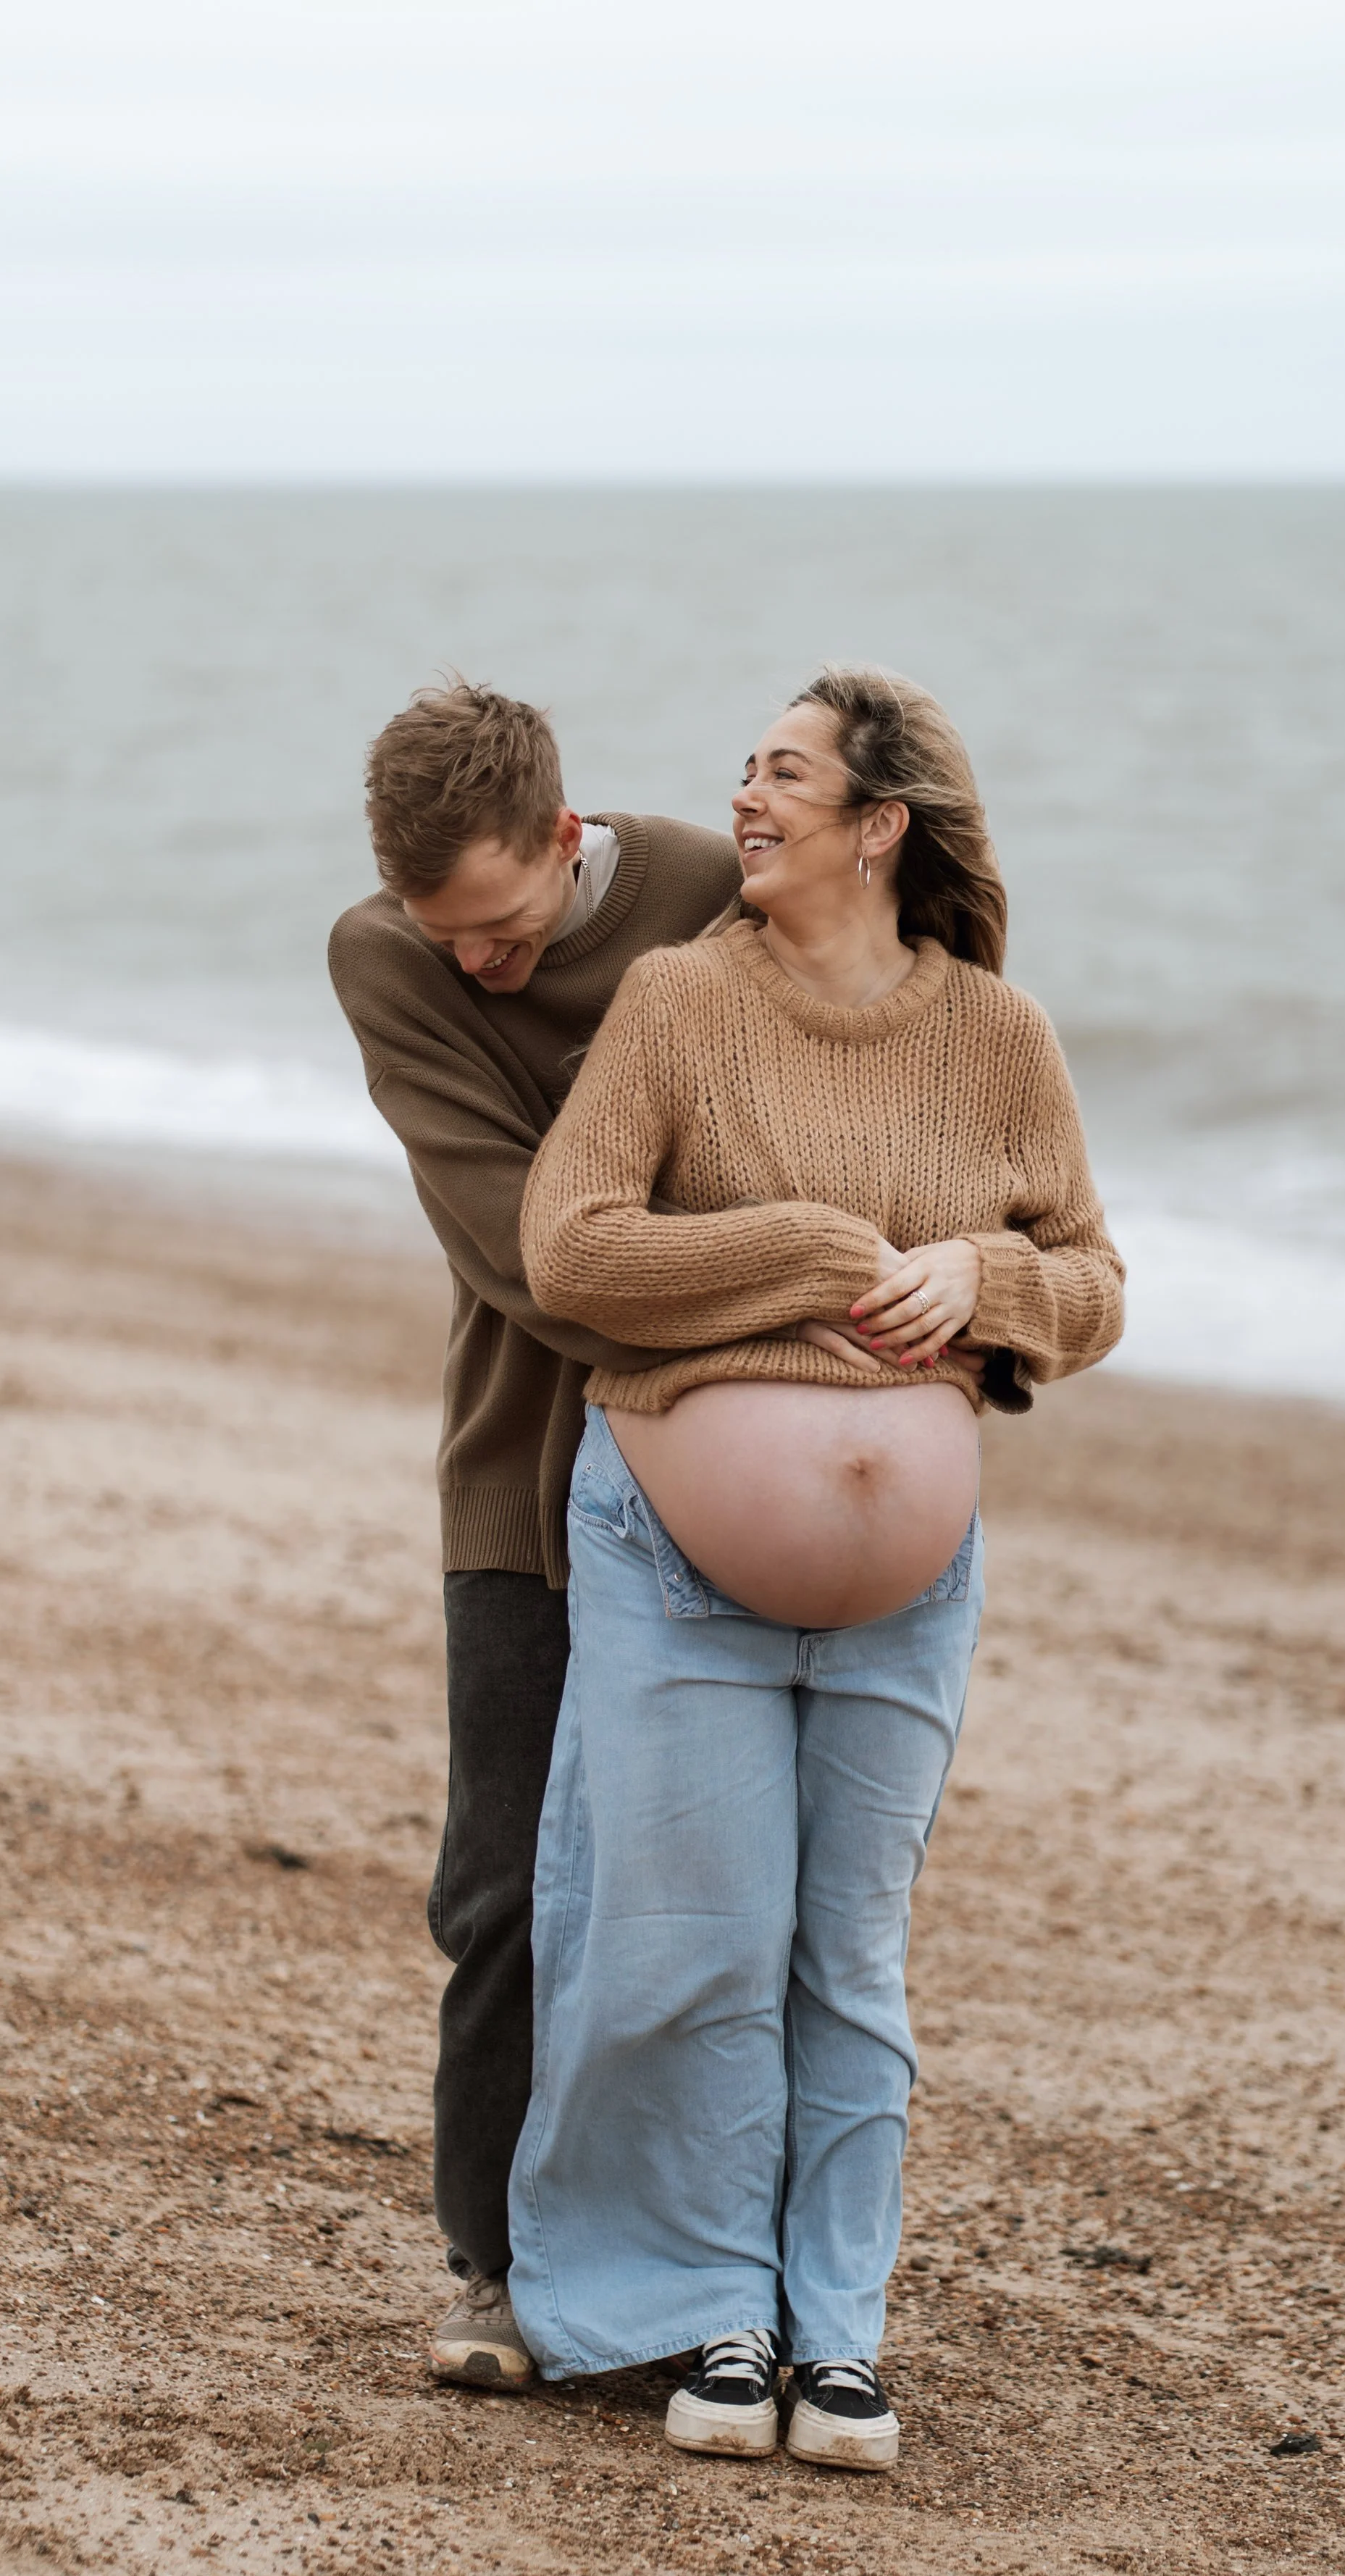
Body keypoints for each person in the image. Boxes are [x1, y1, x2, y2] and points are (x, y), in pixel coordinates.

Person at [506, 665, 1125, 2470]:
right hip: (673, 1562)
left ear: (880, 825)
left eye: (782, 778)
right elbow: (573, 1250)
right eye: (744, 773)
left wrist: (981, 1286)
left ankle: (836, 2336)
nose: (743, 803)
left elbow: (1089, 1280)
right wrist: (814, 1250)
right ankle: (709, 2309)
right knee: (691, 1948)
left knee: (846, 1962)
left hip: (902, 1590)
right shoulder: (678, 1001)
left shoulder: (995, 1036)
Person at [327, 679, 741, 2391]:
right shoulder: (386, 959)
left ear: (568, 844)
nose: (479, 967)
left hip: (718, 1471)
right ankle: (494, 2267)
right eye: (453, 939)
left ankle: (705, 2273)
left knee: (704, 1897)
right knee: (501, 1889)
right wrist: (786, 1296)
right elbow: (531, 1257)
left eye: (503, 933)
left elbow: (874, 1079)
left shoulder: (720, 891)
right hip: (520, 1471)